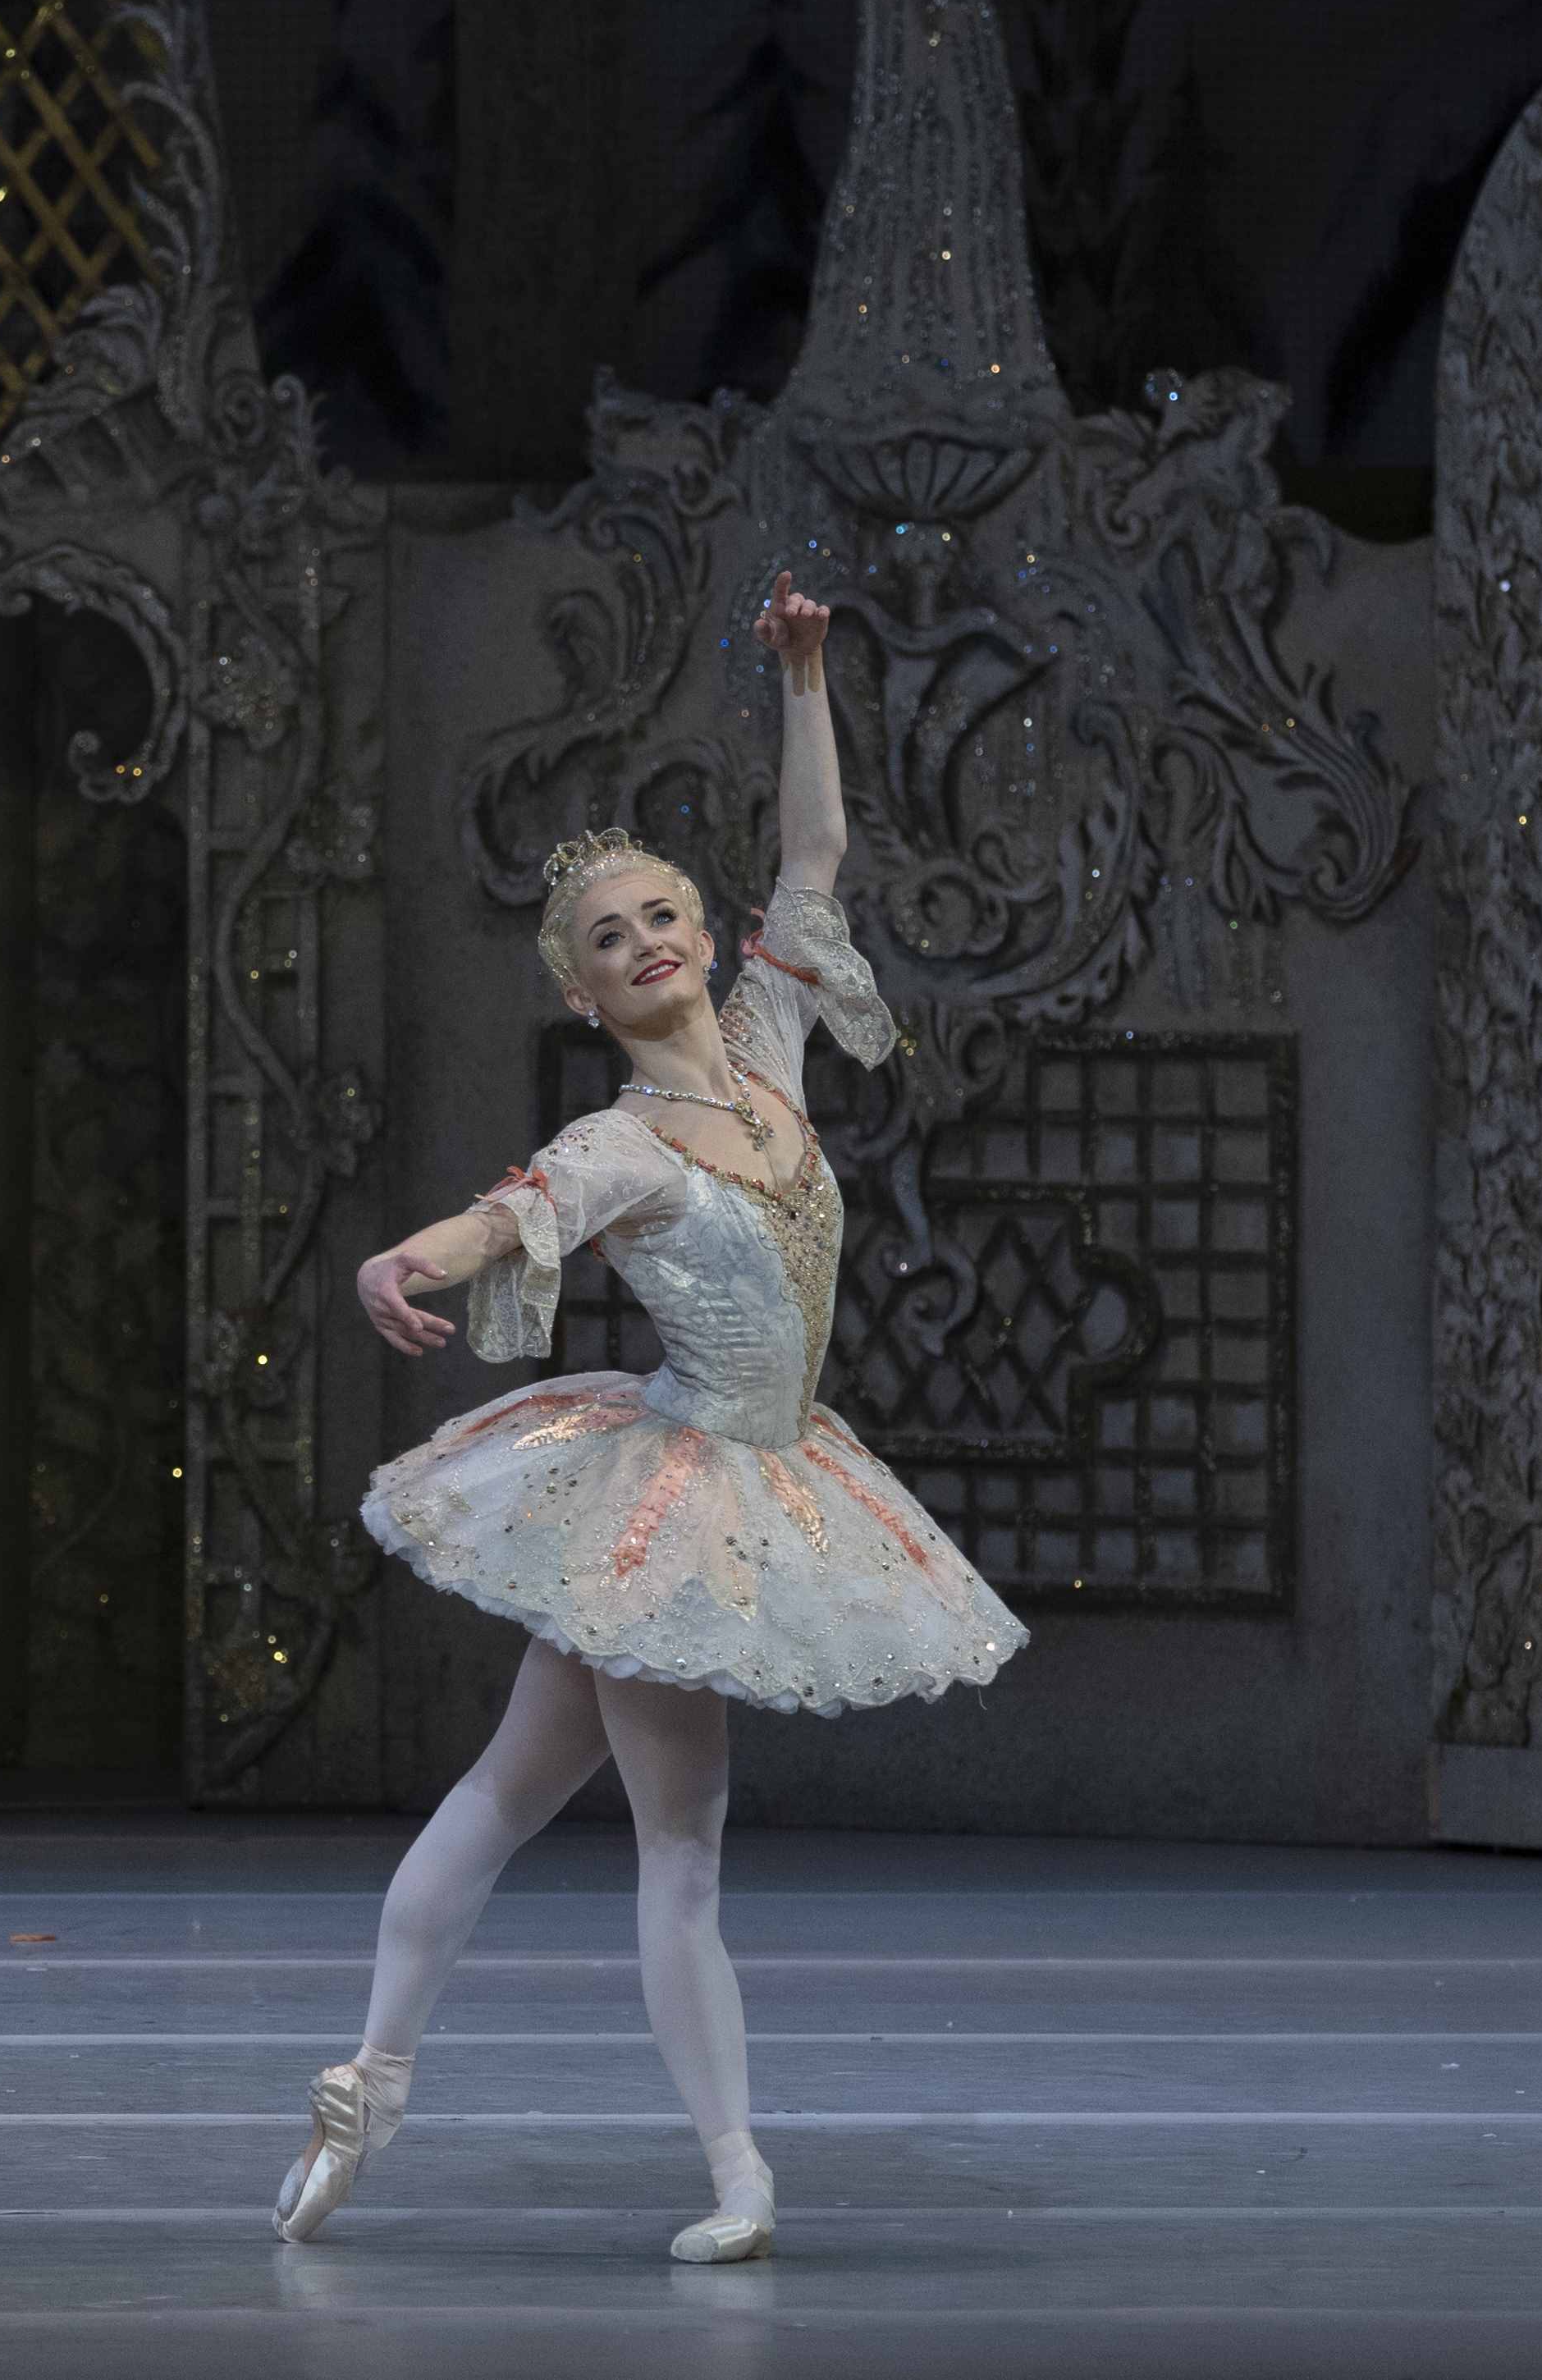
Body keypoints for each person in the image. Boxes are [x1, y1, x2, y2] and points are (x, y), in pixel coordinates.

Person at [280, 570, 1024, 2263]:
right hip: (676, 1489)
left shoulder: (770, 1047)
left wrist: (812, 675)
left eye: (660, 913)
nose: (647, 941)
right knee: (679, 1846)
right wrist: (414, 1251)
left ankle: (369, 2086)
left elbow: (817, 859)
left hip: (771, 1468)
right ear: (586, 995)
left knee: (502, 1799)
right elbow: (505, 1216)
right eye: (608, 938)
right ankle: (738, 2173)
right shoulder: (620, 1142)